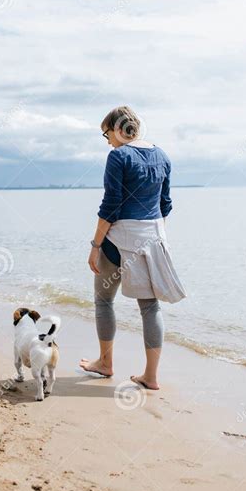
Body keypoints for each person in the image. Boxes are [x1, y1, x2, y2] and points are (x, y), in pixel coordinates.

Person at [79, 105, 186, 390]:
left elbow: (110, 206)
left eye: (107, 135)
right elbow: (165, 205)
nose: (108, 142)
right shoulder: (162, 155)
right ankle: (150, 377)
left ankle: (105, 363)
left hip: (117, 243)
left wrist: (95, 245)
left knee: (103, 301)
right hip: (152, 239)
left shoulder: (117, 156)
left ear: (117, 129)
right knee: (150, 309)